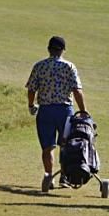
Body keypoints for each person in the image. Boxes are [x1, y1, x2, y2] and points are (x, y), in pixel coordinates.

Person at [26, 36, 86, 192]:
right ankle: (64, 177)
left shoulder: (40, 66)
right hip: (64, 110)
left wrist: (31, 105)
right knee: (66, 145)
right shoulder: (69, 66)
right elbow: (76, 90)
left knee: (47, 146)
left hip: (45, 110)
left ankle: (48, 176)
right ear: (62, 51)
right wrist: (83, 111)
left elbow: (32, 89)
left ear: (49, 49)